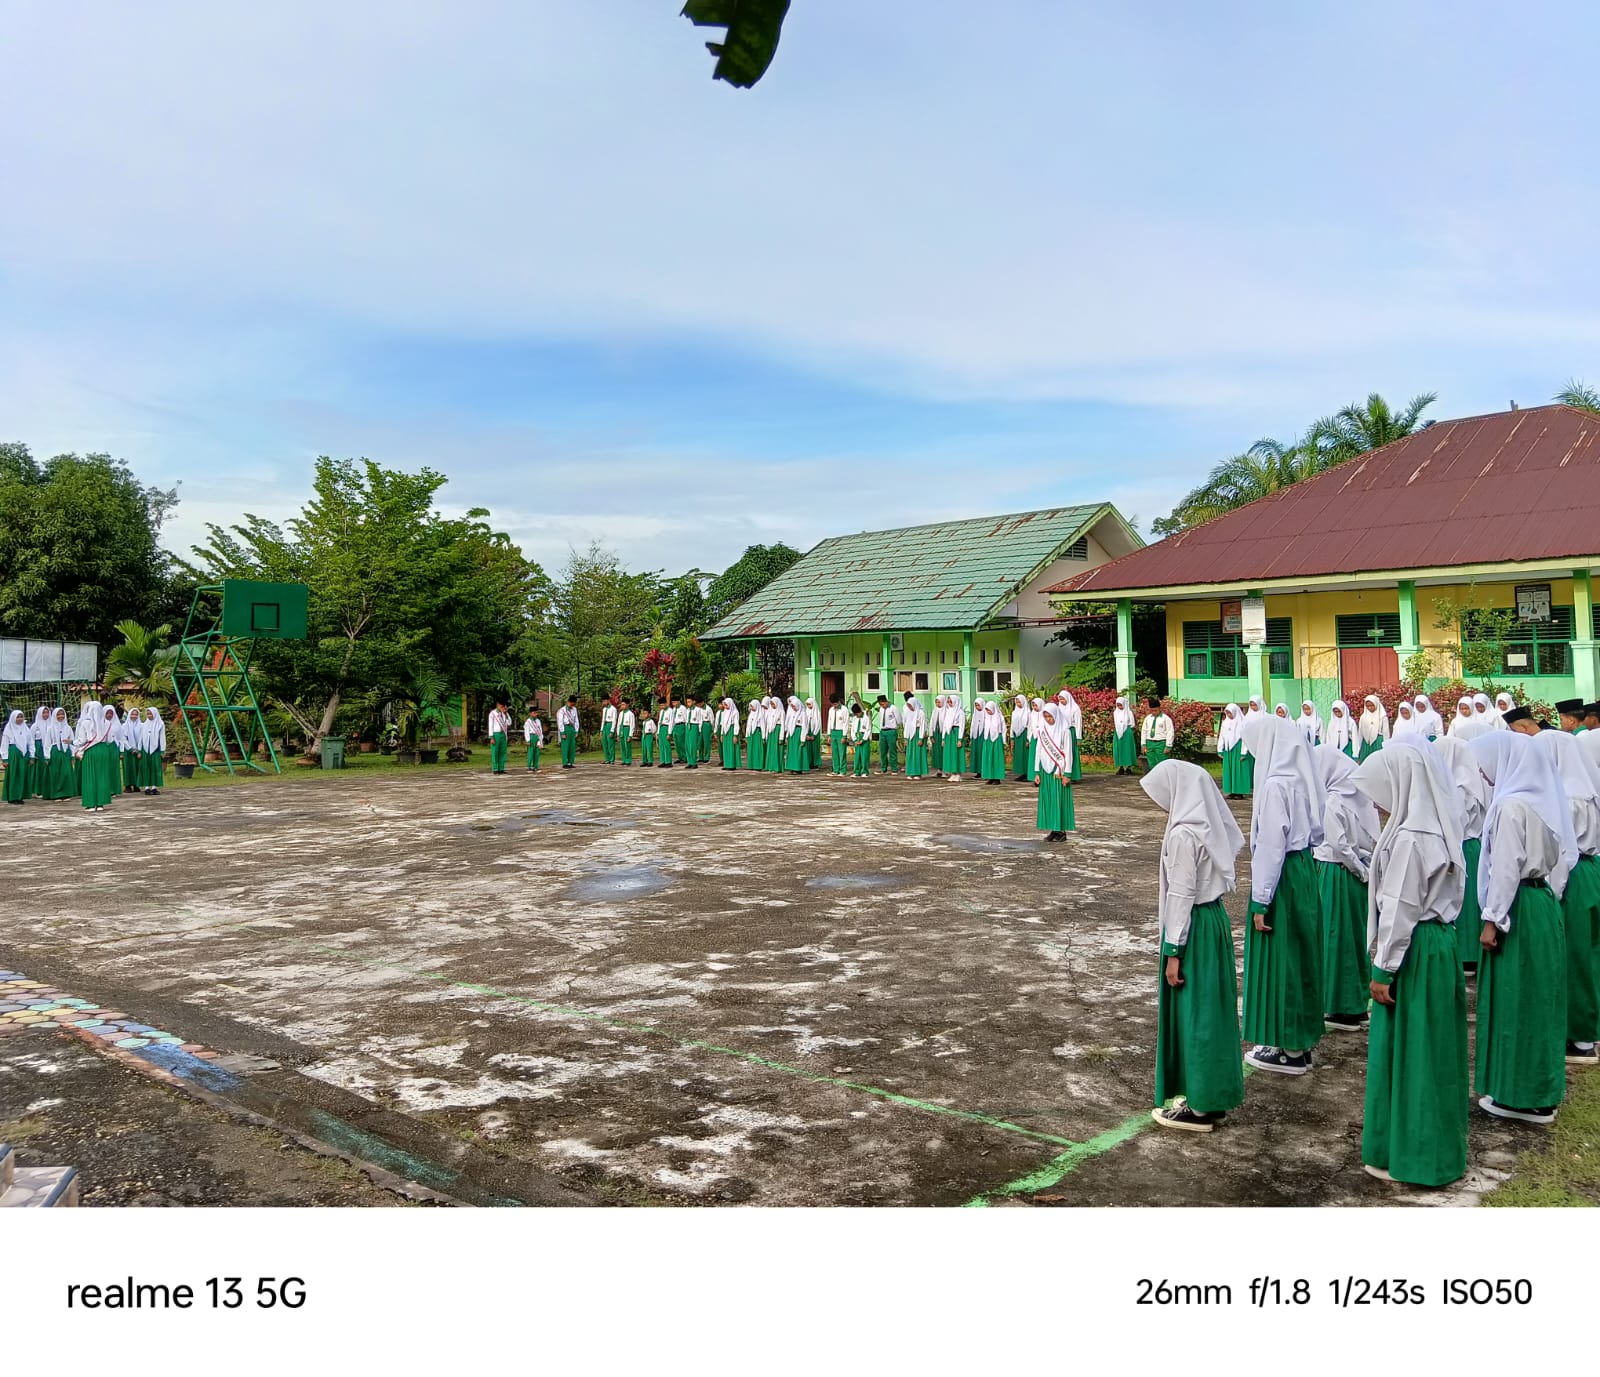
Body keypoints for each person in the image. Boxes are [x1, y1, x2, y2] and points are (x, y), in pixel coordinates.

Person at [1349, 741, 1470, 1187]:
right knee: (1433, 1051)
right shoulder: (1438, 825)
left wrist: (1383, 969)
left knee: (1410, 1054)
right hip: (1436, 946)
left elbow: (1399, 906)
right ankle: (1429, 1148)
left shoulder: (1411, 837)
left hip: (1413, 951)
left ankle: (1412, 1153)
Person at [1469, 731, 1574, 1124]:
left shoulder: (1510, 807)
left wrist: (1492, 919)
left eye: (1486, 762)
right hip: (1541, 904)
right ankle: (1540, 1090)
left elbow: (1506, 868)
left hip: (1518, 910)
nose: (1482, 770)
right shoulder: (1543, 803)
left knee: (1517, 1001)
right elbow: (1565, 858)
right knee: (1540, 1001)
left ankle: (1520, 1095)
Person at [1142, 759, 1248, 1132]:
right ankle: (1211, 1096)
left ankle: (1200, 1105)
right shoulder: (1208, 828)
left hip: (1194, 929)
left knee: (1197, 1015)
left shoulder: (1183, 835)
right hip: (1212, 921)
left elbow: (1182, 894)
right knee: (1213, 1012)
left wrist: (1173, 950)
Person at [1240, 713, 1326, 1075]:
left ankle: (1287, 1049)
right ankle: (1300, 1043)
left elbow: (1272, 846)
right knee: (1303, 956)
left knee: (1284, 959)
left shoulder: (1276, 785)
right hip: (1304, 868)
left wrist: (1261, 898)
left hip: (1284, 876)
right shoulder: (1301, 780)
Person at [1530, 729, 1600, 1064]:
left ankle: (1580, 1035)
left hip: (1571, 878)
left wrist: (1551, 895)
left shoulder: (1567, 799)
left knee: (1573, 958)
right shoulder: (1586, 790)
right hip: (1590, 873)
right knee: (1589, 955)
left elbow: (1562, 855)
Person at [1314, 744, 1380, 1032]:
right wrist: (1365, 871)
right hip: (1354, 878)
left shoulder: (1333, 802)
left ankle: (1340, 1006)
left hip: (1336, 874)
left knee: (1334, 938)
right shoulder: (1359, 800)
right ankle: (1356, 1001)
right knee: (1354, 938)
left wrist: (1357, 869)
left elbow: (1339, 845)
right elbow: (1369, 841)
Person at [1433, 735, 1489, 975]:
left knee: (1464, 898)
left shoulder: (1459, 789)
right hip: (1470, 846)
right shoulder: (1469, 784)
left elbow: (1455, 822)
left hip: (1462, 845)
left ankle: (1467, 954)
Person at [1033, 703, 1073, 842]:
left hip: (1058, 770)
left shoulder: (1065, 731)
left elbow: (1068, 753)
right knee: (1048, 799)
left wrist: (1067, 773)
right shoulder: (1042, 731)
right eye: (1046, 716)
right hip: (1045, 769)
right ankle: (1053, 829)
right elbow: (1038, 750)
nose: (1048, 719)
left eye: (1050, 716)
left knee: (1058, 799)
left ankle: (1061, 830)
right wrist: (1036, 771)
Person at [76, 703, 121, 812]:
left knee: (89, 777)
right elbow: (110, 740)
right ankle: (100, 804)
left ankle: (91, 804)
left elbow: (82, 740)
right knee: (102, 777)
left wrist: (73, 743)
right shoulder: (107, 723)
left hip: (91, 751)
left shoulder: (85, 723)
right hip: (103, 750)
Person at [46, 707, 77, 800]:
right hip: (55, 752)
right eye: (58, 715)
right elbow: (47, 743)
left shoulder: (68, 728)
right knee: (56, 773)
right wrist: (47, 756)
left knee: (66, 773)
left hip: (65, 751)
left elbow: (72, 741)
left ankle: (66, 793)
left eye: (62, 714)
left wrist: (72, 755)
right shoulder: (50, 728)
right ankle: (57, 794)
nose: (60, 716)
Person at [1217, 704, 1248, 797]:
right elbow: (1222, 736)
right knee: (1229, 770)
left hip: (1238, 748)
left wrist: (1243, 752)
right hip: (1228, 749)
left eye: (1230, 713)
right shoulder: (1225, 722)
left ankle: (1239, 791)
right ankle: (1231, 790)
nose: (1229, 715)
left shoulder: (1242, 723)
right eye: (1227, 713)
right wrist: (1220, 749)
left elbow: (1245, 738)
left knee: (1238, 770)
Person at [2, 710, 29, 805]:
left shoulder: (25, 728)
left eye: (21, 717)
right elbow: (4, 744)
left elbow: (30, 742)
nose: (20, 719)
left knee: (22, 775)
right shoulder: (8, 729)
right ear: (13, 718)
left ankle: (19, 796)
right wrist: (5, 758)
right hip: (13, 753)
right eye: (18, 717)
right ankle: (12, 797)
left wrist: (31, 755)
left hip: (23, 754)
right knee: (14, 775)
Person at [1141, 697, 1174, 770]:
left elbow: (1170, 732)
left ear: (1159, 708)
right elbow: (1144, 731)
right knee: (1151, 763)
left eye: (1155, 710)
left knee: (1162, 763)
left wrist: (1168, 745)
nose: (1154, 712)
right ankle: (1154, 779)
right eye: (1152, 710)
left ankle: (1163, 779)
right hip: (1149, 743)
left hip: (1161, 743)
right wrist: (1143, 744)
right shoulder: (1148, 718)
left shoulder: (1166, 718)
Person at [1058, 691, 1084, 781]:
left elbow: (1078, 723)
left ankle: (1074, 775)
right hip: (1061, 732)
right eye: (1060, 699)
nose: (1061, 701)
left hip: (1071, 732)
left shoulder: (1075, 708)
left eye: (1063, 699)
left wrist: (1078, 737)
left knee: (1072, 752)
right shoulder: (1059, 708)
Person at [140, 706, 166, 795]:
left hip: (156, 750)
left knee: (155, 767)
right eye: (147, 713)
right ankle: (147, 787)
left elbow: (162, 738)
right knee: (146, 767)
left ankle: (154, 787)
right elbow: (141, 738)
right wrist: (140, 750)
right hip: (145, 749)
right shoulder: (144, 724)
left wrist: (162, 750)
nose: (149, 715)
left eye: (150, 713)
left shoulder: (160, 724)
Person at [979, 700, 1006, 785]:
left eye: (989, 710)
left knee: (996, 758)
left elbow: (1004, 729)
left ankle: (997, 778)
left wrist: (1003, 741)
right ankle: (990, 776)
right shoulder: (986, 717)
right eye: (986, 710)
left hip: (997, 740)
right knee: (988, 758)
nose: (988, 712)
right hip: (988, 740)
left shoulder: (999, 717)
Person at [903, 692, 928, 780]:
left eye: (911, 705)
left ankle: (917, 773)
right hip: (910, 735)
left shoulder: (921, 713)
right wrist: (905, 738)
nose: (910, 707)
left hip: (917, 734)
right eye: (908, 705)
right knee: (910, 754)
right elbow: (906, 725)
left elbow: (922, 726)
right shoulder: (909, 713)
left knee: (917, 754)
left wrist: (921, 738)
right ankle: (910, 772)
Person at [942, 695, 966, 781]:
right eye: (948, 702)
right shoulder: (948, 711)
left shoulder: (960, 712)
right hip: (949, 734)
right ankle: (952, 773)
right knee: (950, 753)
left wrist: (960, 739)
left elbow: (962, 726)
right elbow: (945, 725)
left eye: (950, 701)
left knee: (956, 753)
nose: (949, 703)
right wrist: (943, 738)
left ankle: (958, 773)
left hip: (956, 733)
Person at [1357, 694, 1389, 760]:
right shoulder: (1363, 717)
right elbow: (1360, 732)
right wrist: (1359, 747)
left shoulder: (1382, 716)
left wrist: (1387, 746)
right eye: (1368, 706)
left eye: (1372, 705)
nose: (1370, 708)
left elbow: (1386, 733)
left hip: (1378, 742)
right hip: (1366, 744)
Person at [1111, 695, 1137, 775]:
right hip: (1117, 733)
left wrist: (1128, 729)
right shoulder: (1115, 713)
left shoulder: (1129, 712)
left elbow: (1132, 724)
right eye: (1118, 705)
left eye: (1121, 705)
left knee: (1127, 749)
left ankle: (1129, 767)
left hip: (1127, 732)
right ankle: (1121, 767)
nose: (1119, 706)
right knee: (1119, 749)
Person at [784, 695, 808, 774]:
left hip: (798, 733)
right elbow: (789, 725)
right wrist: (787, 736)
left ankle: (798, 768)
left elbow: (804, 726)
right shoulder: (792, 714)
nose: (793, 708)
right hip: (792, 733)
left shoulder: (803, 713)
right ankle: (791, 767)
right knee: (791, 751)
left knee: (798, 751)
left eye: (794, 706)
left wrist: (803, 738)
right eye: (792, 707)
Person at [487, 700, 512, 775]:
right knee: (495, 752)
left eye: (504, 706)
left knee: (502, 751)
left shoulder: (504, 713)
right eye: (501, 706)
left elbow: (509, 723)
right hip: (496, 734)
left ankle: (501, 768)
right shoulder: (492, 713)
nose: (503, 707)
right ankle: (495, 769)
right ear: (497, 704)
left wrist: (506, 714)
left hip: (503, 734)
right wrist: (491, 737)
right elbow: (490, 725)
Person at [877, 695, 900, 774]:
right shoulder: (881, 709)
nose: (882, 706)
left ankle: (894, 768)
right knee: (883, 750)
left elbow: (899, 720)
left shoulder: (893, 708)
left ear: (886, 701)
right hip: (883, 731)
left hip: (891, 731)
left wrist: (895, 727)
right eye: (880, 704)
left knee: (892, 750)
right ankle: (883, 768)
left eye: (883, 704)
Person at [1010, 694, 1031, 780]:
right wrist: (1012, 737)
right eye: (1017, 702)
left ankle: (1027, 773)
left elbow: (1030, 725)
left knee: (1025, 754)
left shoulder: (1028, 713)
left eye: (1020, 702)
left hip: (1025, 734)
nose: (1018, 704)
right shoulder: (1014, 712)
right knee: (1018, 754)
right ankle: (1021, 773)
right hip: (1017, 735)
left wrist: (1028, 739)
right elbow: (1012, 724)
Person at [717, 697, 742, 769]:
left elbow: (736, 724)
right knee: (725, 748)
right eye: (724, 705)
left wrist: (735, 735)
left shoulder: (735, 712)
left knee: (731, 748)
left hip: (731, 730)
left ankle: (732, 765)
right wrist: (722, 734)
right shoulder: (724, 712)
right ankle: (726, 764)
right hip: (725, 731)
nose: (725, 706)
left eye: (726, 705)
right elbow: (723, 723)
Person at [848, 702, 872, 776]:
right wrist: (854, 739)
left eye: (857, 714)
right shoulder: (855, 718)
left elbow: (868, 729)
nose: (856, 715)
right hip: (857, 737)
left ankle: (864, 771)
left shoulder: (866, 718)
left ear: (860, 711)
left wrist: (863, 739)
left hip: (863, 737)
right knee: (857, 756)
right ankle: (856, 771)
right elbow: (852, 729)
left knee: (864, 756)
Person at [826, 695, 848, 776]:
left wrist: (844, 736)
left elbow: (846, 723)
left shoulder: (844, 710)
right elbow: (829, 721)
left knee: (842, 752)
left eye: (835, 704)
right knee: (834, 752)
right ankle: (836, 770)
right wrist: (829, 735)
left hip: (840, 731)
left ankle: (843, 770)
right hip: (833, 732)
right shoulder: (831, 710)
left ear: (838, 702)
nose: (834, 706)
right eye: (833, 704)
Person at [557, 695, 581, 769]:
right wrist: (562, 732)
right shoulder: (562, 711)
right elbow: (560, 722)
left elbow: (576, 720)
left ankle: (571, 762)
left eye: (573, 704)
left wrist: (576, 730)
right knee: (565, 746)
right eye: (571, 703)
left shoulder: (574, 709)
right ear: (568, 702)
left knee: (572, 746)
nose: (572, 705)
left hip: (572, 728)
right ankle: (565, 762)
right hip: (565, 728)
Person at [764, 697, 783, 775]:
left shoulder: (781, 712)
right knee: (770, 749)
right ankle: (770, 766)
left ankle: (777, 767)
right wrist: (766, 735)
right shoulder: (769, 711)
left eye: (773, 704)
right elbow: (767, 724)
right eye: (771, 704)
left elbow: (783, 725)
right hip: (770, 732)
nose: (772, 705)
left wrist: (781, 737)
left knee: (776, 749)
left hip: (777, 730)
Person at [744, 699, 765, 772]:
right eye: (751, 707)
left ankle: (758, 765)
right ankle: (751, 765)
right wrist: (747, 735)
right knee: (751, 749)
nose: (752, 708)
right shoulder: (751, 714)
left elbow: (762, 726)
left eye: (753, 706)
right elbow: (748, 725)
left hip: (757, 733)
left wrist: (763, 737)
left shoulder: (760, 715)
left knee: (757, 749)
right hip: (751, 734)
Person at [671, 697, 691, 767]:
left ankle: (685, 757)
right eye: (672, 703)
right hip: (675, 726)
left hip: (681, 725)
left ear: (678, 701)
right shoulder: (674, 709)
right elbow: (673, 720)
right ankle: (680, 757)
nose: (673, 704)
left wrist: (686, 728)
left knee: (682, 743)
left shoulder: (683, 708)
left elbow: (686, 718)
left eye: (675, 702)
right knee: (677, 743)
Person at [656, 698, 675, 769]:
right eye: (660, 705)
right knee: (661, 745)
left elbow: (671, 722)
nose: (662, 706)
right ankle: (663, 761)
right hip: (661, 728)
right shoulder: (661, 711)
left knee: (667, 745)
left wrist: (669, 733)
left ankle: (668, 762)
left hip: (666, 728)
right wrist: (658, 732)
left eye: (663, 705)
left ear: (666, 704)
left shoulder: (670, 711)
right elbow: (659, 722)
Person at [805, 697, 822, 771]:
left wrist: (814, 735)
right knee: (808, 748)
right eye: (807, 705)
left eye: (810, 704)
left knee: (815, 748)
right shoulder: (806, 712)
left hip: (815, 732)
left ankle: (815, 763)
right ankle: (809, 762)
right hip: (807, 731)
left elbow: (818, 724)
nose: (809, 706)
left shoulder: (817, 712)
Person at [601, 698, 618, 764]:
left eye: (604, 701)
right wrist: (601, 730)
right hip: (605, 725)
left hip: (610, 724)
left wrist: (612, 731)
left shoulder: (613, 709)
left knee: (610, 743)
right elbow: (603, 719)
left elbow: (614, 720)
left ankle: (612, 759)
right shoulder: (604, 709)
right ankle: (607, 758)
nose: (603, 703)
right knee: (604, 743)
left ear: (608, 700)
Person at [618, 699, 636, 765]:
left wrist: (630, 735)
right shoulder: (620, 713)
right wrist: (618, 733)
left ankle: (628, 760)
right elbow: (619, 723)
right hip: (621, 729)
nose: (622, 706)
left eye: (624, 704)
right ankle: (624, 759)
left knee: (627, 745)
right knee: (622, 745)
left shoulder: (630, 714)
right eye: (622, 704)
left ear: (627, 705)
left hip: (627, 728)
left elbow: (632, 725)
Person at [701, 697, 718, 765]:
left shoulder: (708, 709)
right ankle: (701, 757)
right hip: (700, 724)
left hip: (706, 724)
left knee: (706, 742)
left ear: (703, 702)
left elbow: (712, 719)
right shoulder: (698, 708)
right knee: (700, 742)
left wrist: (713, 729)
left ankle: (707, 757)